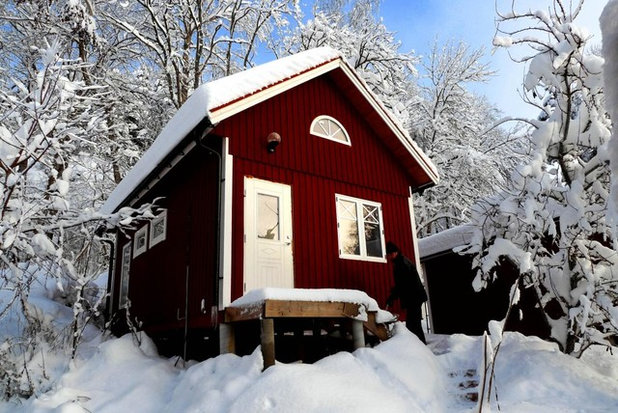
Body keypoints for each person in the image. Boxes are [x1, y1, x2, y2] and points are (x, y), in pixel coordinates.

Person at [385, 241, 428, 344]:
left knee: (413, 325)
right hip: (414, 297)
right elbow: (402, 284)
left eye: (390, 254)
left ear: (395, 252)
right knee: (412, 324)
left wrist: (392, 296)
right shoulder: (400, 262)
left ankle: (421, 346)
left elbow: (403, 284)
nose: (389, 256)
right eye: (388, 254)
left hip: (415, 297)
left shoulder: (402, 264)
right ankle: (419, 345)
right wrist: (394, 294)